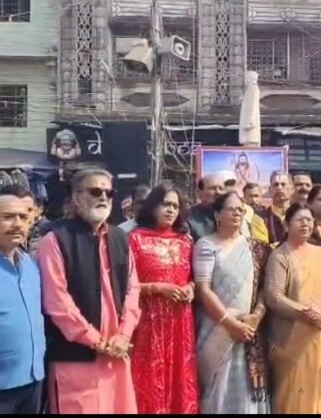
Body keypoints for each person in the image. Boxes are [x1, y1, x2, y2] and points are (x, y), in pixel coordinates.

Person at [38, 169, 141, 413]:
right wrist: (96, 341)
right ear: (76, 197)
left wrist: (123, 335)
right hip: (76, 357)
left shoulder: (120, 237)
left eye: (109, 192)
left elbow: (133, 289)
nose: (103, 197)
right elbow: (57, 301)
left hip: (116, 354)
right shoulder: (55, 239)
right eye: (95, 191)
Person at [194, 192, 270, 414]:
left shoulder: (256, 247)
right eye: (231, 208)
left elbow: (264, 288)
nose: (237, 213)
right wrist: (230, 324)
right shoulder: (206, 245)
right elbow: (204, 289)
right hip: (216, 328)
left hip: (249, 329)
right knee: (217, 390)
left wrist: (257, 315)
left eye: (240, 209)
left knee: (248, 392)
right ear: (217, 214)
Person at [265, 204, 321, 414]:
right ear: (286, 225)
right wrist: (307, 314)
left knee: (317, 392)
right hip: (290, 339)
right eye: (300, 220)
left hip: (318, 335)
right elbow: (273, 297)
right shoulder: (280, 256)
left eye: (309, 220)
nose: (306, 224)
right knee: (292, 395)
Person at [128, 184, 199, 414]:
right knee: (149, 381)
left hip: (180, 322)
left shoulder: (186, 241)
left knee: (180, 378)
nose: (170, 210)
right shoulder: (135, 239)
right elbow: (124, 286)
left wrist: (190, 288)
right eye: (165, 204)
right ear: (152, 206)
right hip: (148, 323)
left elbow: (193, 278)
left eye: (175, 206)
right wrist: (157, 288)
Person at [0, 187, 46, 414]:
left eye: (23, 217)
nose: (18, 224)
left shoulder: (30, 264)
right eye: (8, 217)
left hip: (33, 378)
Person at [187, 174, 225, 243]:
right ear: (199, 192)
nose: (218, 192)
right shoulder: (188, 217)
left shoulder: (231, 213)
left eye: (221, 188)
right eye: (212, 188)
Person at [261, 171, 292, 245]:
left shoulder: (300, 214)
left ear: (291, 189)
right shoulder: (260, 217)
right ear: (269, 190)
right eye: (276, 184)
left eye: (283, 184)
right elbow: (262, 247)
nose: (279, 188)